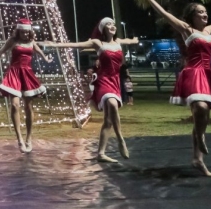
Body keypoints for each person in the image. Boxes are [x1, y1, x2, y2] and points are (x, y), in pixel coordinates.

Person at [137, 0, 211, 177]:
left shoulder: (208, 31)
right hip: (192, 72)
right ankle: (200, 136)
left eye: (206, 12)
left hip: (207, 74)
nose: (205, 15)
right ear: (192, 16)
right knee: (201, 108)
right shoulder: (187, 30)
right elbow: (164, 13)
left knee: (203, 115)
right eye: (200, 12)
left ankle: (198, 159)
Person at [41, 17, 138, 162]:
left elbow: (129, 41)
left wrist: (135, 40)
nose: (112, 26)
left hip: (115, 81)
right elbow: (75, 44)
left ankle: (101, 153)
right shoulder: (98, 43)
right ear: (103, 28)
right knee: (112, 104)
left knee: (108, 121)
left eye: (113, 24)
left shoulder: (118, 42)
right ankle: (120, 140)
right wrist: (55, 44)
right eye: (108, 24)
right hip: (103, 80)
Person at [0, 18, 51, 153]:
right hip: (14, 73)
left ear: (29, 32)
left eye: (27, 32)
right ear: (18, 31)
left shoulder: (31, 42)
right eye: (22, 31)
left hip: (27, 74)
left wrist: (45, 58)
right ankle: (19, 139)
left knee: (28, 106)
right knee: (15, 105)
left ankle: (29, 138)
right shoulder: (13, 41)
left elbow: (39, 51)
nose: (25, 34)